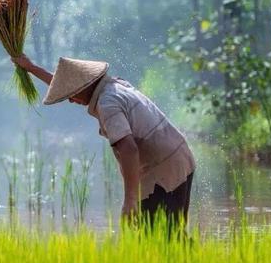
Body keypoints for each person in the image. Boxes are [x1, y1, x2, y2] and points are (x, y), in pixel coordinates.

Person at [12, 54, 195, 233]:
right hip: (178, 158)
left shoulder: (108, 103)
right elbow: (68, 87)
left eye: (71, 94)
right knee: (169, 236)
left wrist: (130, 200)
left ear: (84, 86)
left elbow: (129, 149)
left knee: (160, 238)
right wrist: (32, 68)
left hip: (163, 169)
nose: (69, 99)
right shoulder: (115, 86)